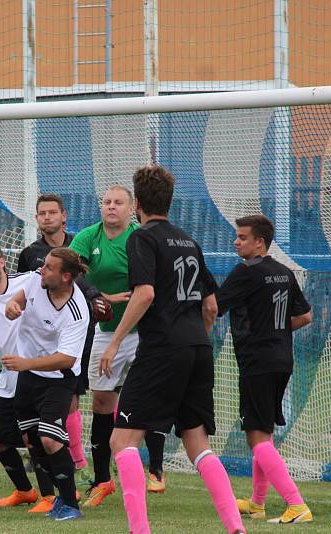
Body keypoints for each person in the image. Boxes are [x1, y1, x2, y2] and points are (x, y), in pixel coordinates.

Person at [101, 165, 245, 534]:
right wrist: (198, 335)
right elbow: (211, 306)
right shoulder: (188, 241)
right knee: (198, 444)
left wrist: (115, 340)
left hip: (163, 347)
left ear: (137, 206)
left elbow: (145, 294)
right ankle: (236, 528)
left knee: (122, 439)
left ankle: (140, 531)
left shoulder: (141, 238)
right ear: (169, 200)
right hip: (198, 346)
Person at [69, 186, 168, 509]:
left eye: (118, 202)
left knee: (148, 399)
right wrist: (99, 296)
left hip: (144, 333)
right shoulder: (89, 237)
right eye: (107, 202)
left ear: (132, 209)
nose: (111, 207)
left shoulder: (140, 238)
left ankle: (155, 469)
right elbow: (71, 270)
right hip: (107, 332)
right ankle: (102, 480)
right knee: (101, 402)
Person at [215, 214, 313, 524]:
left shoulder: (246, 272)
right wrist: (278, 333)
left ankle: (296, 504)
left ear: (260, 242)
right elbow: (306, 316)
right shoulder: (284, 272)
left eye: (242, 237)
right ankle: (257, 504)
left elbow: (213, 305)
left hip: (257, 362)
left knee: (257, 436)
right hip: (281, 359)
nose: (236, 241)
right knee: (262, 432)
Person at [17, 194, 108, 489]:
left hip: (71, 337)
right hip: (38, 343)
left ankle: (76, 462)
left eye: (51, 212)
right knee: (35, 418)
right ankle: (52, 463)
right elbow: (23, 287)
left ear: (63, 216)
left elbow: (86, 285)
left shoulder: (77, 247)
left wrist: (98, 301)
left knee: (70, 399)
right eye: (41, 213)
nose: (46, 217)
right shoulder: (31, 254)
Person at [0, 244, 57, 512]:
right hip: (9, 376)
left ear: (2, 263)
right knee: (0, 442)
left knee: (34, 438)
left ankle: (50, 497)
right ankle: (25, 491)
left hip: (38, 371)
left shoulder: (29, 280)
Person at [2, 247, 91, 521]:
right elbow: (17, 299)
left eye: (50, 267)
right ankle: (61, 497)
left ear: (65, 277)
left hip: (58, 380)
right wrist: (12, 307)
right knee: (32, 442)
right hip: (28, 377)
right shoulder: (35, 280)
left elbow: (66, 359)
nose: (43, 269)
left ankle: (71, 506)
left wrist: (26, 364)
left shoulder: (77, 310)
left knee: (50, 438)